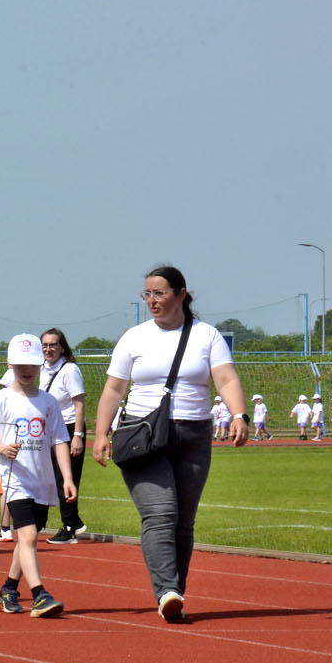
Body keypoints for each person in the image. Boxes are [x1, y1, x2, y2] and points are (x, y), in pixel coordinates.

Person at [92, 266, 248, 623]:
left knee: (184, 522)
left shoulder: (206, 335)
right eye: (147, 294)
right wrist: (101, 433)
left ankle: (175, 590)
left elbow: (225, 378)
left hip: (193, 435)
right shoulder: (134, 337)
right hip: (143, 436)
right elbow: (114, 388)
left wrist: (239, 415)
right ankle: (167, 591)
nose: (152, 301)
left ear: (181, 294)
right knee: (161, 513)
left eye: (159, 293)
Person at [0, 334, 76, 618]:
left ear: (41, 365)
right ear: (9, 363)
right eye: (20, 363)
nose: (26, 369)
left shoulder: (48, 402)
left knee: (26, 541)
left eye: (32, 364)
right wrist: (1, 447)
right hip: (13, 479)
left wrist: (67, 478)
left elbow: (59, 440)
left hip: (42, 480)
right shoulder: (1, 400)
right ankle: (39, 595)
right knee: (29, 536)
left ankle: (9, 587)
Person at [40, 329, 87, 544]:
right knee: (51, 478)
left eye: (53, 345)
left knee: (65, 478)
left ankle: (69, 529)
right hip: (49, 430)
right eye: (45, 345)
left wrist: (77, 435)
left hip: (68, 429)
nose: (48, 349)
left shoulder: (69, 370)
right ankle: (74, 522)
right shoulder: (41, 369)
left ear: (62, 347)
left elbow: (79, 404)